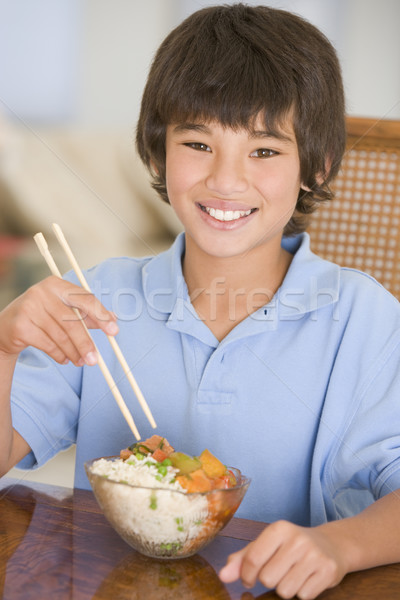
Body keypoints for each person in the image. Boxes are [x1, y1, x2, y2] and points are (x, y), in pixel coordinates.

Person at [0, 3, 399, 598]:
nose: (226, 180)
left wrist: (339, 546)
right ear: (158, 153)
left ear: (316, 167)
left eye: (264, 151)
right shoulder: (101, 298)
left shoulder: (365, 319)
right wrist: (4, 346)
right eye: (197, 143)